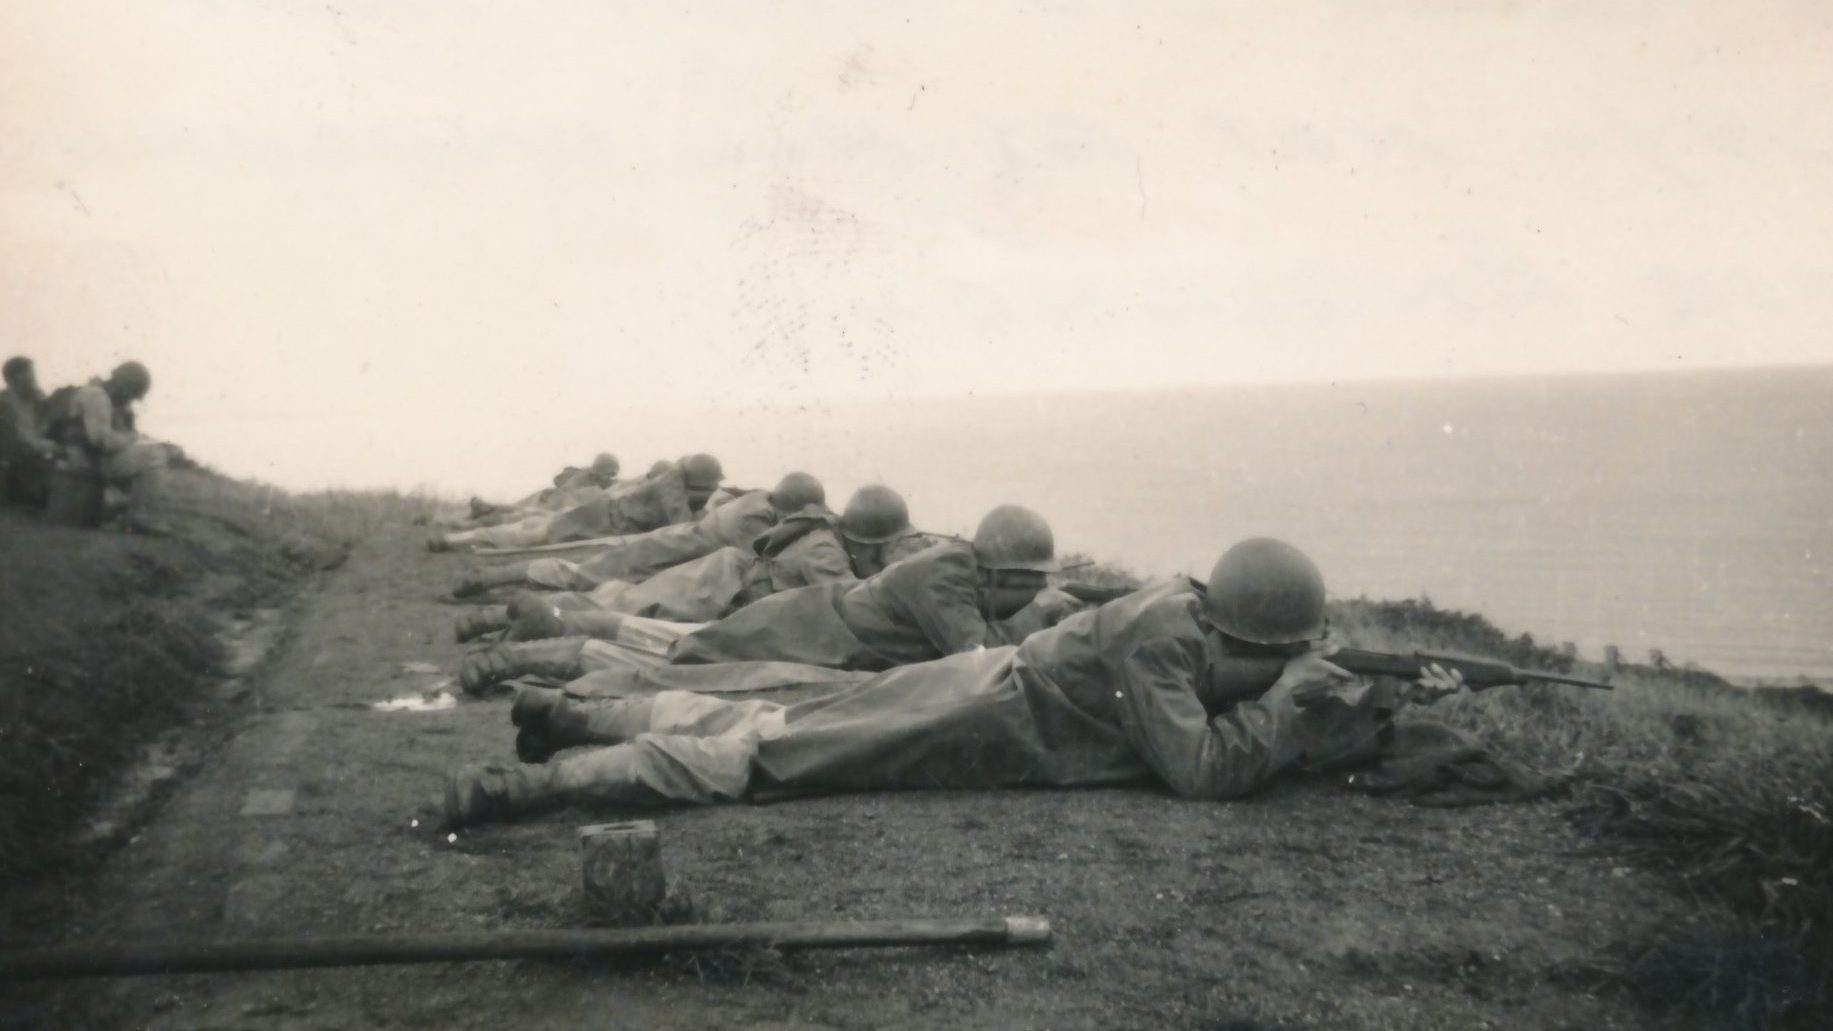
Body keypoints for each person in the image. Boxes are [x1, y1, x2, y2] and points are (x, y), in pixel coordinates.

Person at [443, 537, 1470, 825]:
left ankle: (565, 711)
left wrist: (1384, 693)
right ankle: (528, 787)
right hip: (990, 718)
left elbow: (1239, 689)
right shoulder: (1161, 645)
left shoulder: (1181, 607)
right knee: (771, 754)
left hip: (986, 682)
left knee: (782, 709)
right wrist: (1291, 696)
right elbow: (1201, 769)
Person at [457, 503, 1078, 692]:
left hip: (809, 627)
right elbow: (979, 663)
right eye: (1029, 580)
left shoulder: (955, 566)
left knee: (675, 643)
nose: (1034, 591)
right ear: (999, 570)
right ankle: (532, 652)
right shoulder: (945, 579)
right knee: (678, 660)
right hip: (805, 633)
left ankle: (551, 625)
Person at [452, 483, 920, 641]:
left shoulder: (824, 535)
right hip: (718, 585)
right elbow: (852, 600)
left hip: (722, 582)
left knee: (617, 599)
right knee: (619, 605)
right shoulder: (825, 550)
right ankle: (499, 614)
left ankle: (501, 614)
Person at [451, 472, 824, 598]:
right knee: (583, 577)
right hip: (668, 555)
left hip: (671, 548)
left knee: (589, 577)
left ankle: (493, 579)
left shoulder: (757, 500)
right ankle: (490, 579)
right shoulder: (754, 518)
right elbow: (760, 560)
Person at [430, 453, 723, 551]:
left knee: (535, 526)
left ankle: (460, 534)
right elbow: (682, 523)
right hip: (601, 519)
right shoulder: (671, 484)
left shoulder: (675, 481)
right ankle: (453, 540)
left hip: (606, 521)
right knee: (535, 533)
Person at [60, 361, 174, 528]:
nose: (132, 399)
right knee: (154, 454)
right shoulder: (96, 395)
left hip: (91, 458)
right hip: (85, 459)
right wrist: (132, 438)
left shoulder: (107, 398)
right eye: (133, 393)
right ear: (125, 385)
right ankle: (139, 517)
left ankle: (128, 511)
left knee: (150, 453)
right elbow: (102, 441)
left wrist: (132, 437)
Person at [461, 453, 622, 524]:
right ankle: (485, 510)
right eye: (608, 475)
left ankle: (485, 510)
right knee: (520, 512)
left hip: (549, 499)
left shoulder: (590, 478)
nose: (611, 479)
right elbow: (571, 496)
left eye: (613, 475)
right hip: (551, 501)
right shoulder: (584, 481)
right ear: (599, 472)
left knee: (519, 510)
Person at [0, 356, 56, 507]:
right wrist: (49, 446)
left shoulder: (36, 400)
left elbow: (46, 427)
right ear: (13, 379)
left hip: (34, 458)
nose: (34, 381)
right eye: (29, 376)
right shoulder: (4, 404)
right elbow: (19, 440)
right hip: (14, 465)